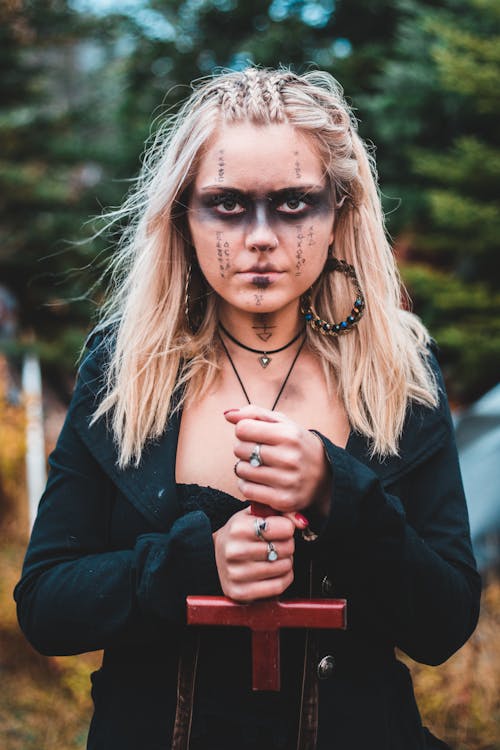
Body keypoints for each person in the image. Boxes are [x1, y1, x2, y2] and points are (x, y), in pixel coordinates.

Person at [14, 67, 480, 750]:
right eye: (227, 204)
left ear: (338, 213)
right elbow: (47, 607)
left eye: (294, 203)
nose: (261, 236)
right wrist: (191, 565)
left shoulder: (400, 374)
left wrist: (336, 491)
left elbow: (443, 623)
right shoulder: (123, 371)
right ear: (183, 215)